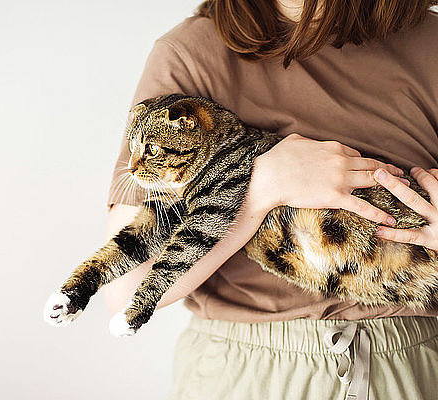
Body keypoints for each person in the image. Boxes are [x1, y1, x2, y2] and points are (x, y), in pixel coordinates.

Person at [104, 1, 438, 399]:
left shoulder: (429, 43)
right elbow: (126, 290)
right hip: (248, 375)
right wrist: (263, 187)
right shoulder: (191, 53)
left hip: (417, 366)